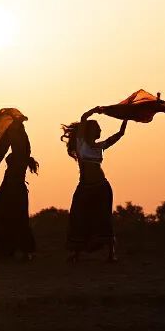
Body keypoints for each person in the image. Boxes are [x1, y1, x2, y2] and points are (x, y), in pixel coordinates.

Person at [61, 108, 128, 262]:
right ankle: (76, 253)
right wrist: (95, 110)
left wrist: (127, 117)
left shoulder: (100, 146)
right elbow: (83, 117)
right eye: (97, 128)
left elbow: (120, 134)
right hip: (85, 188)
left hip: (101, 187)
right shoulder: (81, 144)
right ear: (89, 131)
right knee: (79, 217)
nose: (100, 130)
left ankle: (111, 253)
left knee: (104, 218)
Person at [0, 121, 39, 260]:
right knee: (9, 217)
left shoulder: (22, 151)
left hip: (14, 188)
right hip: (10, 187)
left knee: (16, 218)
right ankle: (8, 250)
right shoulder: (20, 151)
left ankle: (22, 250)